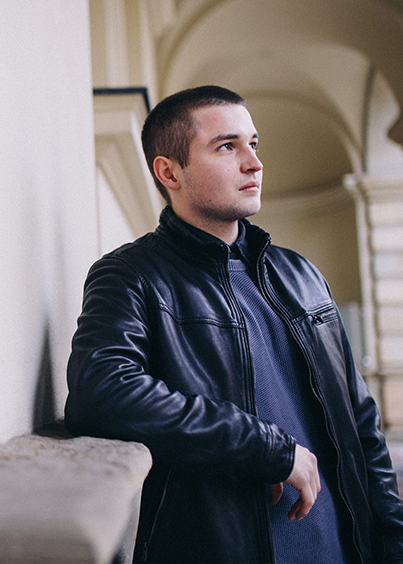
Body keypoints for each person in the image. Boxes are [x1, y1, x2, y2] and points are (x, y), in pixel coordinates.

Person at [64, 85, 403, 564]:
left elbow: (360, 422)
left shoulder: (302, 276)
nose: (254, 162)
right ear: (169, 171)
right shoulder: (131, 276)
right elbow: (101, 390)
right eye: (228, 146)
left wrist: (393, 539)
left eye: (253, 144)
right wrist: (267, 448)